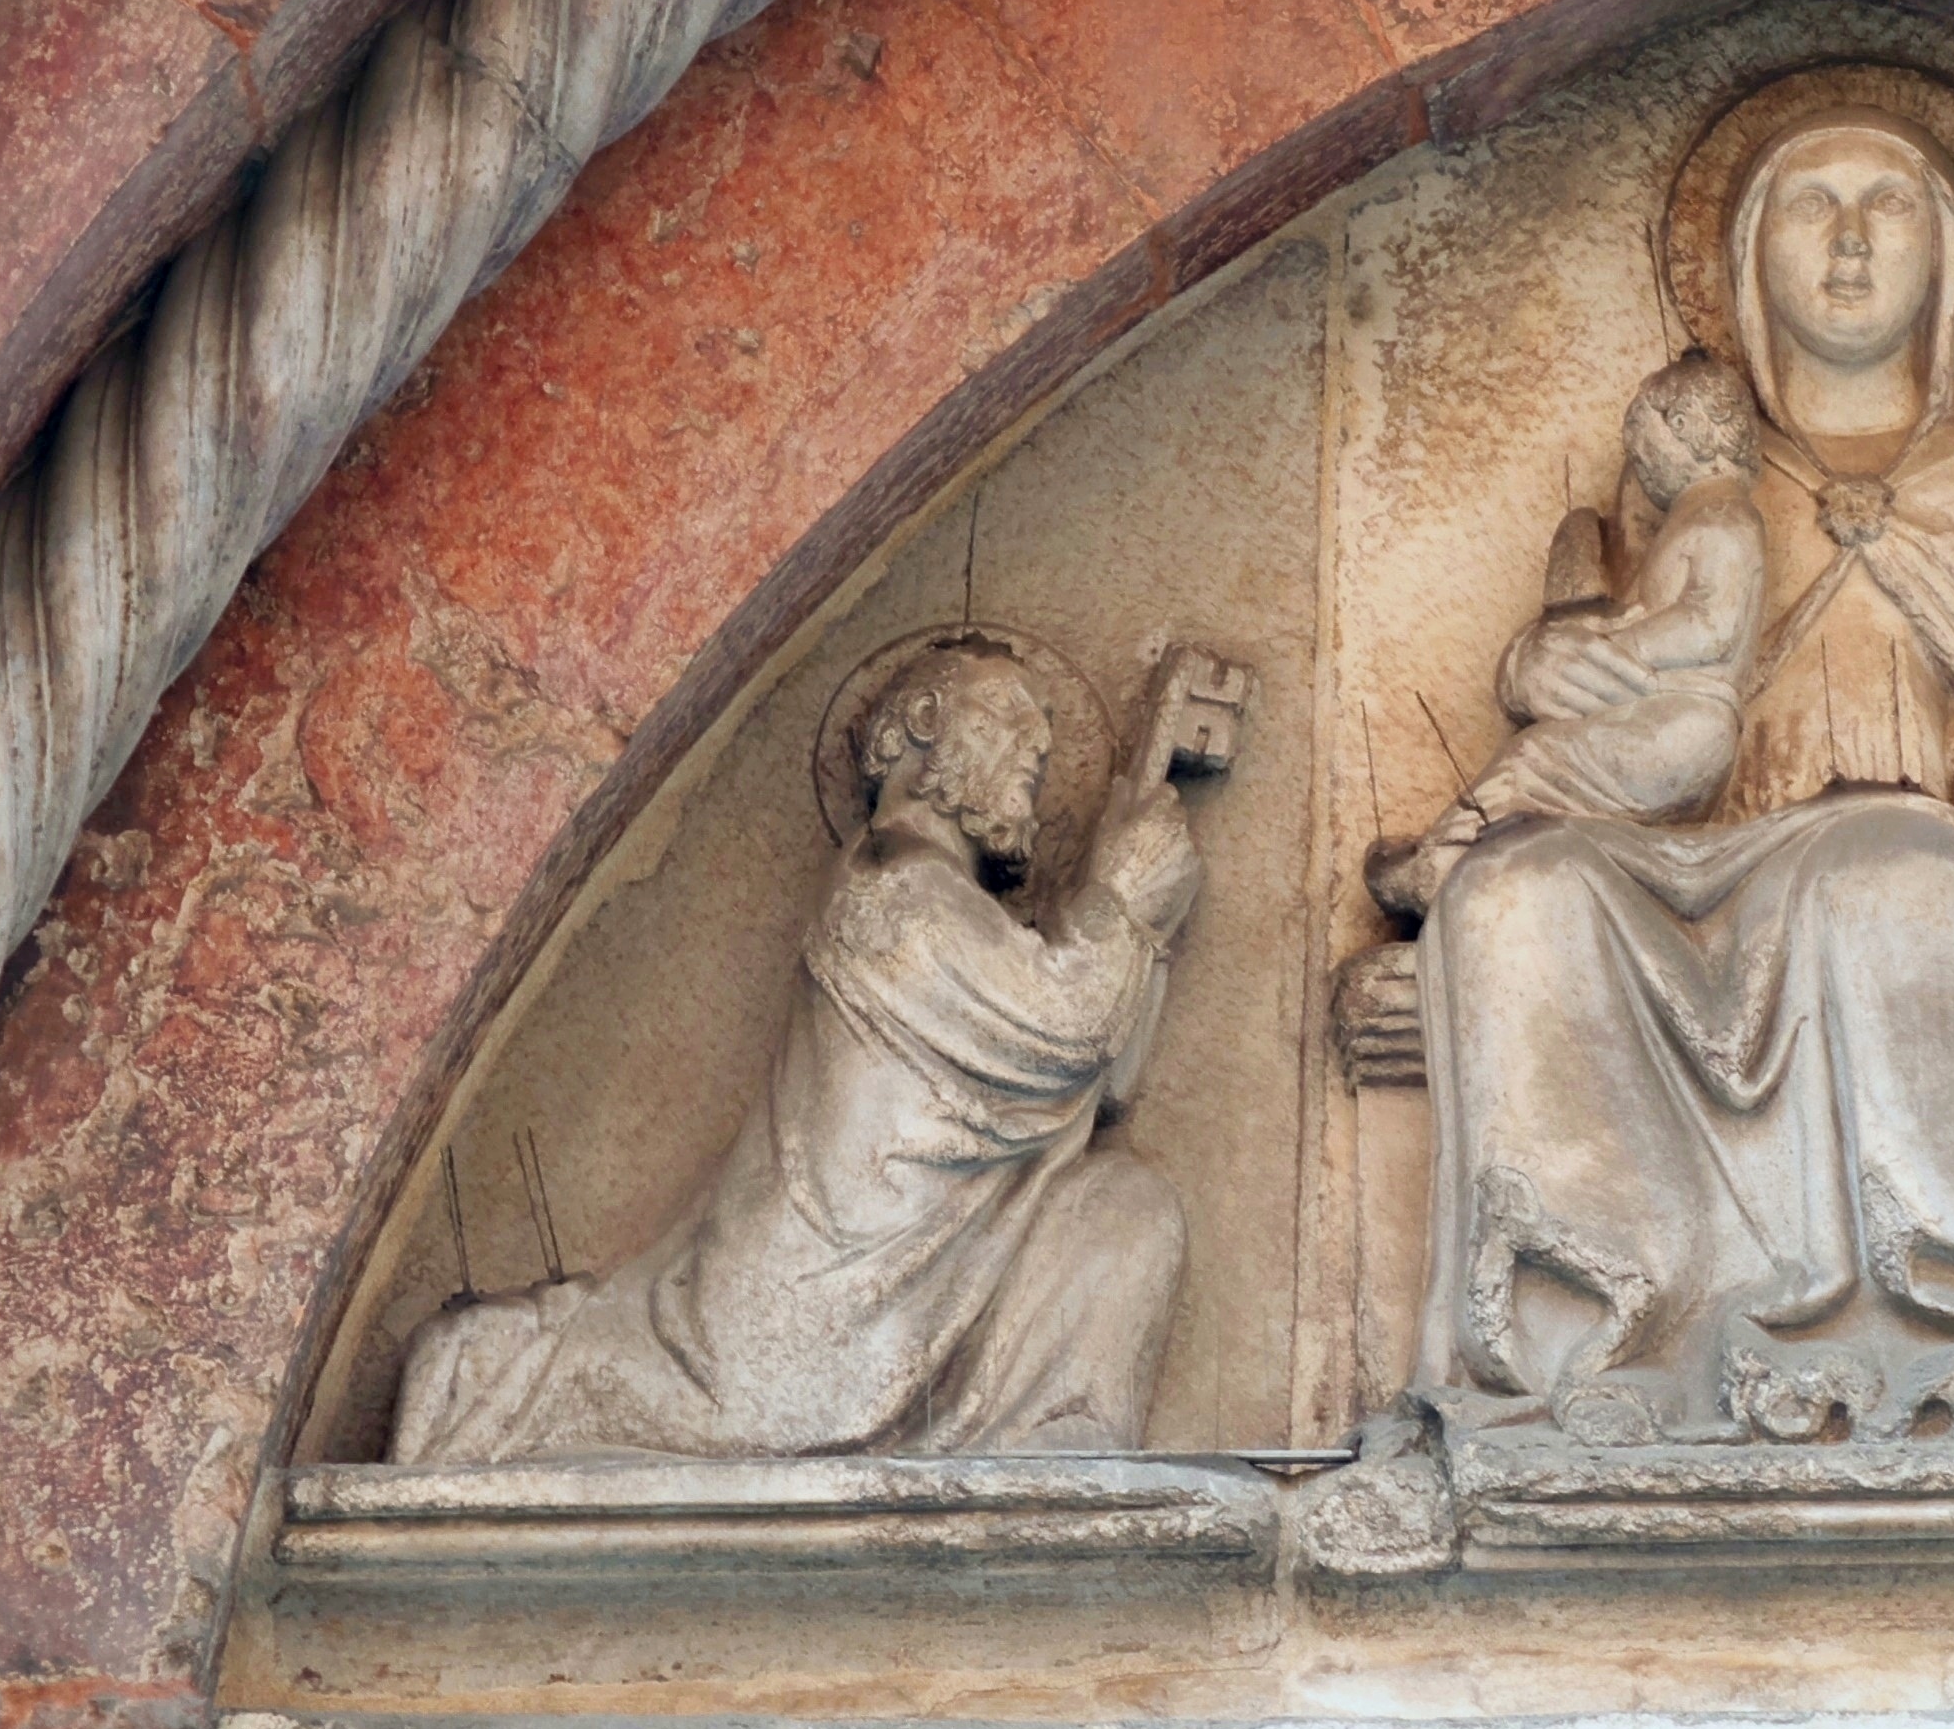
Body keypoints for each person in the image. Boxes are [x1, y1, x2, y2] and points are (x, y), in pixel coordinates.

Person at [1409, 102, 1954, 1444]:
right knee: (1518, 898)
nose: (1853, 245)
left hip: (1884, 835)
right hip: (1681, 837)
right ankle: (1608, 1343)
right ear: (1749, 258)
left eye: (1892, 207)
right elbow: (1615, 673)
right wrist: (1544, 665)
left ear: (1950, 260)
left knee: (1895, 867)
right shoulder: (1683, 487)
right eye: (1814, 206)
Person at [391, 641, 1204, 1461]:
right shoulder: (894, 892)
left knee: (1126, 1211)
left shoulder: (957, 910)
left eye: (1048, 728)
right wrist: (1122, 903)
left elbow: (1103, 1086)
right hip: (821, 1316)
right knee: (1131, 1210)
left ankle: (1053, 1441)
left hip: (934, 1278)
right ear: (923, 723)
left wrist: (1143, 926)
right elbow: (1066, 1029)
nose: (1038, 741)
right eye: (1011, 714)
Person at [1371, 349, 1767, 920]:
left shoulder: (1723, 516)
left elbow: (1712, 624)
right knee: (1553, 767)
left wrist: (1620, 647)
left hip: (1683, 726)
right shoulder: (1699, 518)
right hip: (1675, 723)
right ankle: (1479, 863)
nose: (1636, 461)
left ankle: (1442, 863)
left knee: (1537, 755)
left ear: (1683, 428)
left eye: (1641, 437)